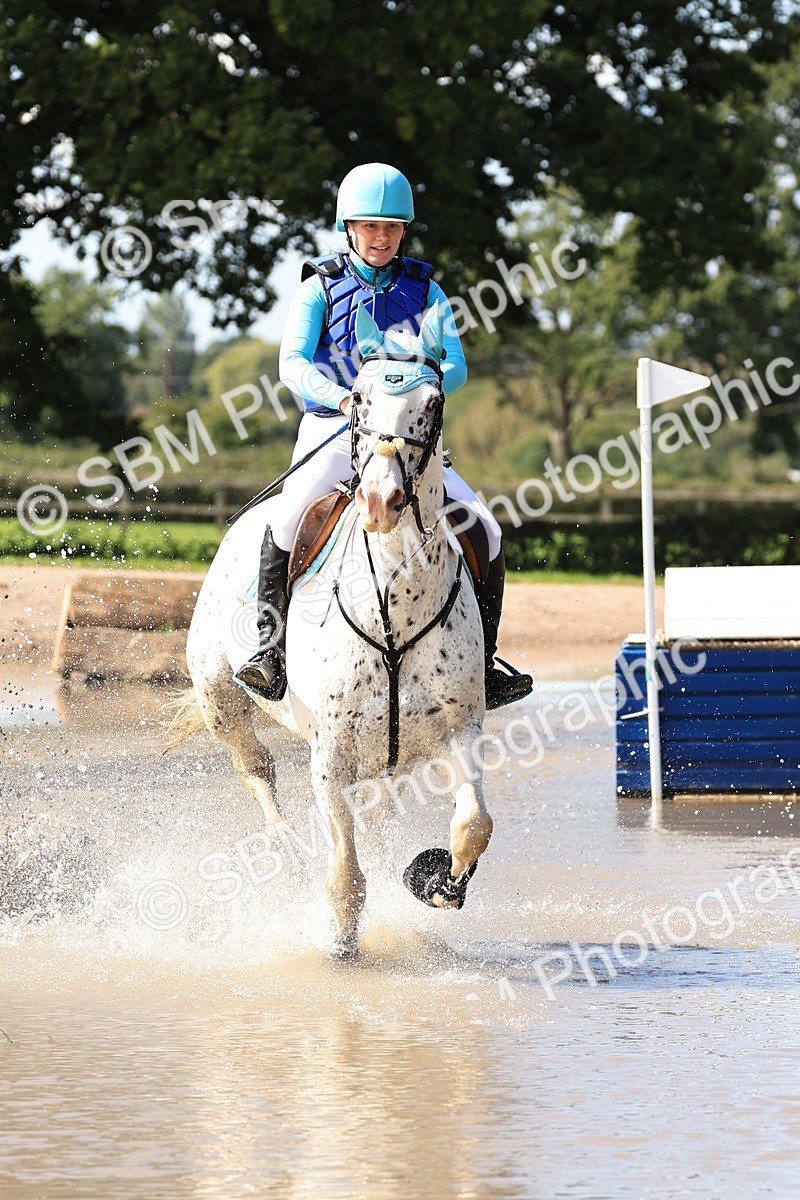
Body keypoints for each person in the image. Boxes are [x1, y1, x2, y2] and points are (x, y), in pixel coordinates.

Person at [235, 162, 532, 709]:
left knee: (485, 529)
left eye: (392, 227)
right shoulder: (319, 287)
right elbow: (293, 365)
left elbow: (458, 365)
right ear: (349, 227)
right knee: (285, 520)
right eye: (370, 226)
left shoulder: (427, 289)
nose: (381, 237)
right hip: (334, 430)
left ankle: (484, 665)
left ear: (403, 230)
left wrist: (425, 382)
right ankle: (267, 652)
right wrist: (343, 398)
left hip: (408, 439)